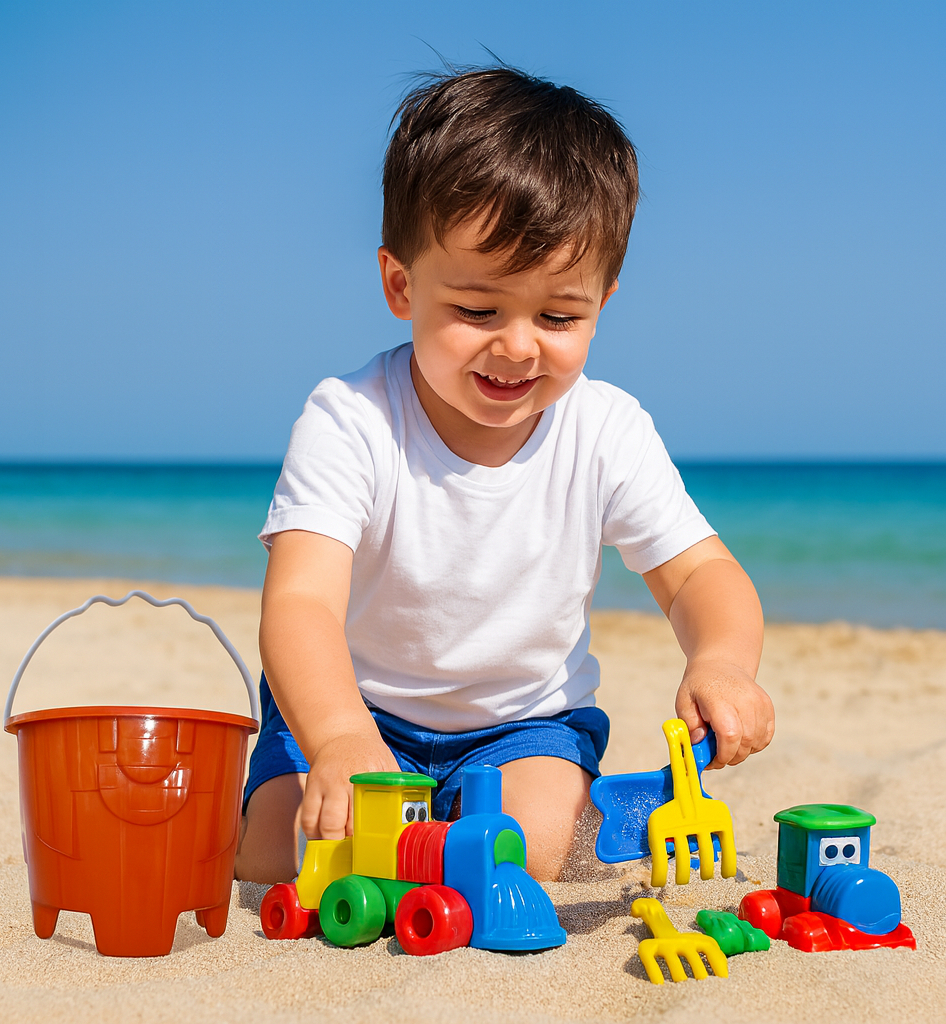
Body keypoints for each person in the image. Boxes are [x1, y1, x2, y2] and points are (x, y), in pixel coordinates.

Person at [235, 67, 774, 884]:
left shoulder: (605, 430)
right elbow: (301, 601)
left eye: (559, 316)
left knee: (537, 848)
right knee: (282, 860)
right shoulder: (351, 419)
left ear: (603, 300)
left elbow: (699, 571)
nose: (518, 346)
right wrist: (341, 733)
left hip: (522, 726)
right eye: (478, 310)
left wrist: (724, 661)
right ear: (400, 285)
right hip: (353, 702)